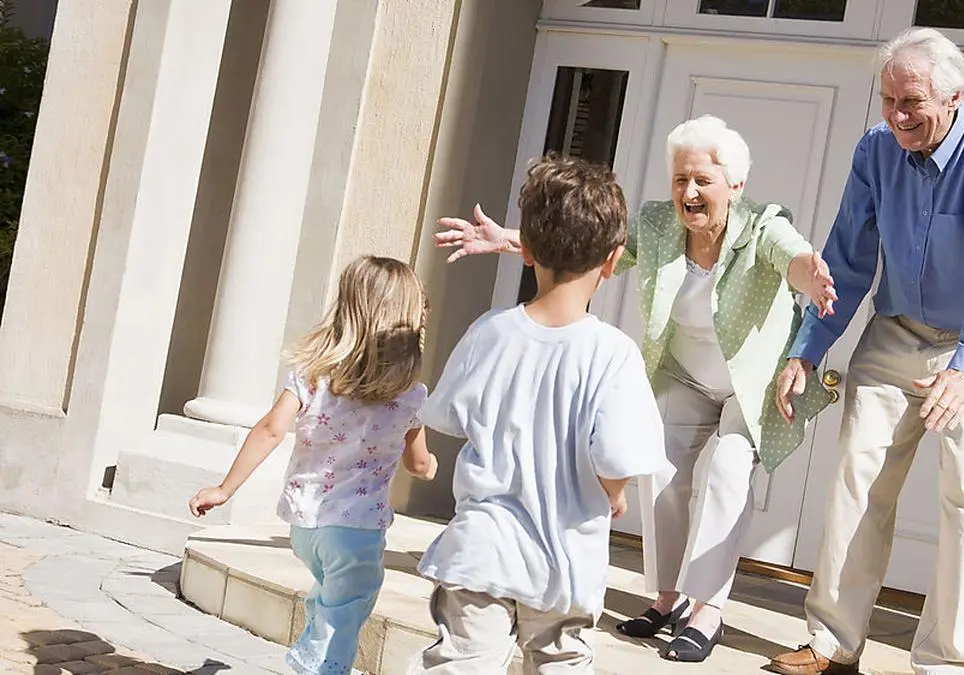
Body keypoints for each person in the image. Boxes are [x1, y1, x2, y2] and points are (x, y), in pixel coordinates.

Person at [434, 115, 837, 663]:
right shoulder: (656, 224)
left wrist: (808, 274)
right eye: (679, 180)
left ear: (735, 186)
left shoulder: (764, 226)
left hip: (749, 385)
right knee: (664, 470)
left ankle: (706, 608)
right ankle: (668, 596)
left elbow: (790, 256)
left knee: (726, 470)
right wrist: (512, 240)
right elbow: (590, 250)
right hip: (686, 374)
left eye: (702, 181)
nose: (688, 193)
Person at [768, 28, 964, 675]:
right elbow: (847, 254)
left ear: (953, 97)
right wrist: (807, 348)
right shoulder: (876, 149)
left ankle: (948, 662)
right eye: (887, 100)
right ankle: (832, 641)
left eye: (911, 102)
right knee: (856, 476)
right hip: (898, 330)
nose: (896, 117)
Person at [407, 155, 666, 674]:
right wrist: (612, 494)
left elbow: (440, 416)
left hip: (482, 550)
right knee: (559, 663)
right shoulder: (613, 353)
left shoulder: (491, 331)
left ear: (524, 250)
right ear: (614, 260)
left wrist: (417, 456)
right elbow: (615, 456)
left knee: (461, 662)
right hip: (564, 561)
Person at [188, 255, 438, 675]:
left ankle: (315, 650)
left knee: (330, 596)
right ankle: (321, 666)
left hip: (305, 526)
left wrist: (224, 489)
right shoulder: (410, 396)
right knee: (347, 612)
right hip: (358, 531)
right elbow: (419, 464)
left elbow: (270, 430)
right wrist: (430, 466)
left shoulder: (311, 377)